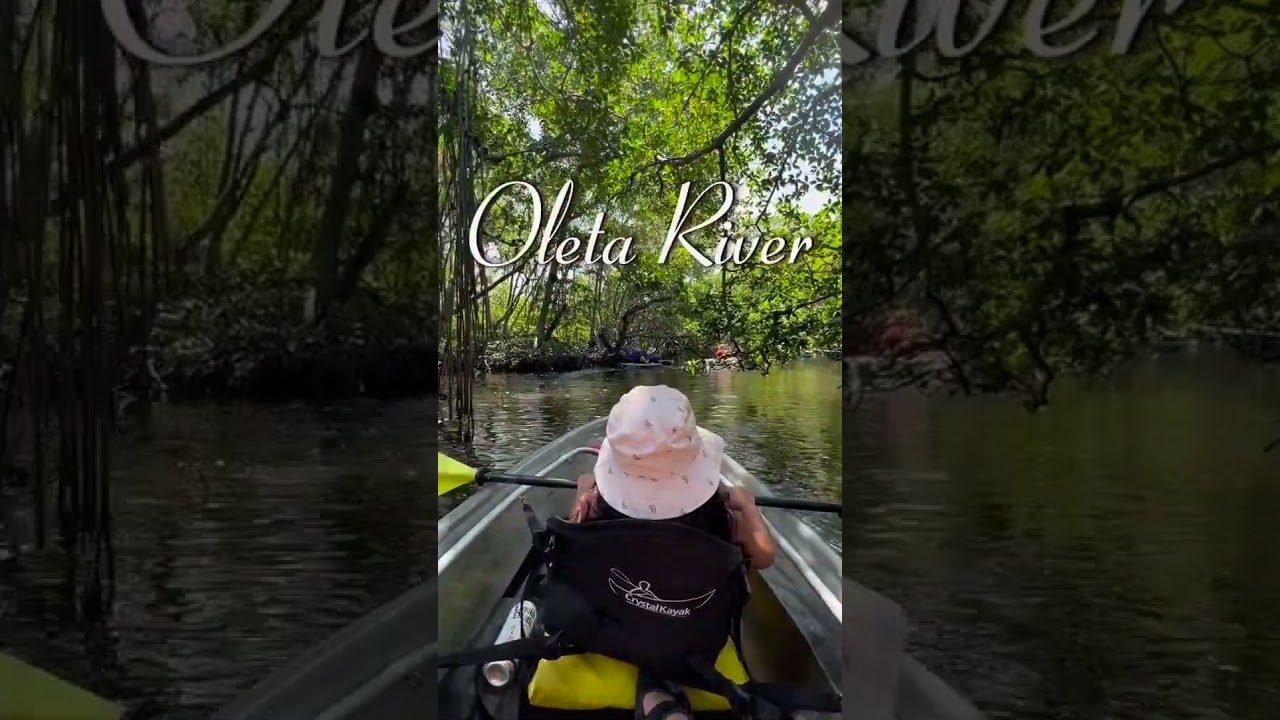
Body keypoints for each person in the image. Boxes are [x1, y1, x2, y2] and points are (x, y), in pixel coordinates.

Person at [567, 385, 776, 720]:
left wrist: (582, 493)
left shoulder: (597, 516)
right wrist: (748, 507)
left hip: (612, 627)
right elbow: (764, 555)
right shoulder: (719, 521)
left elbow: (571, 541)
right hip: (694, 638)